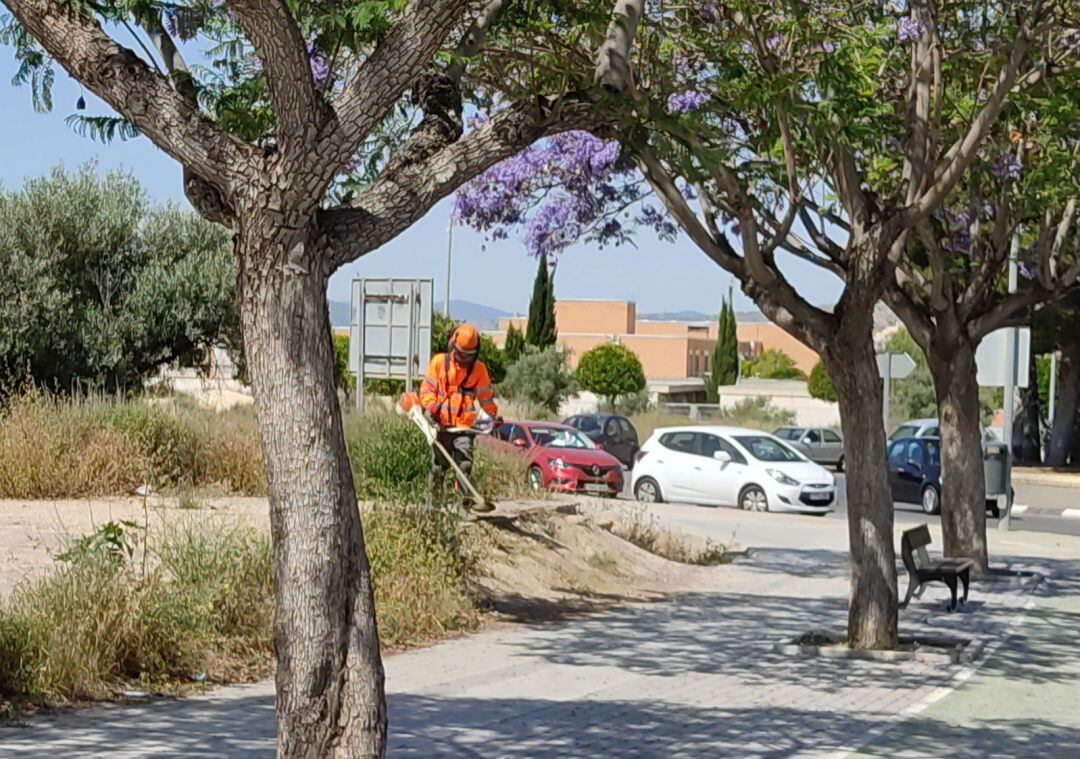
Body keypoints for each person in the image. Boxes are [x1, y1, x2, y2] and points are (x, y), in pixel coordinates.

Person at [419, 324, 501, 510]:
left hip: (464, 428)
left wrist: (492, 416)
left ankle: (462, 506)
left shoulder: (479, 370)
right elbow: (426, 389)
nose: (463, 359)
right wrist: (431, 405)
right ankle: (433, 506)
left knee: (464, 465)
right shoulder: (439, 363)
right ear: (452, 346)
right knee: (438, 468)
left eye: (468, 356)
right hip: (441, 426)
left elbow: (486, 398)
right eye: (461, 354)